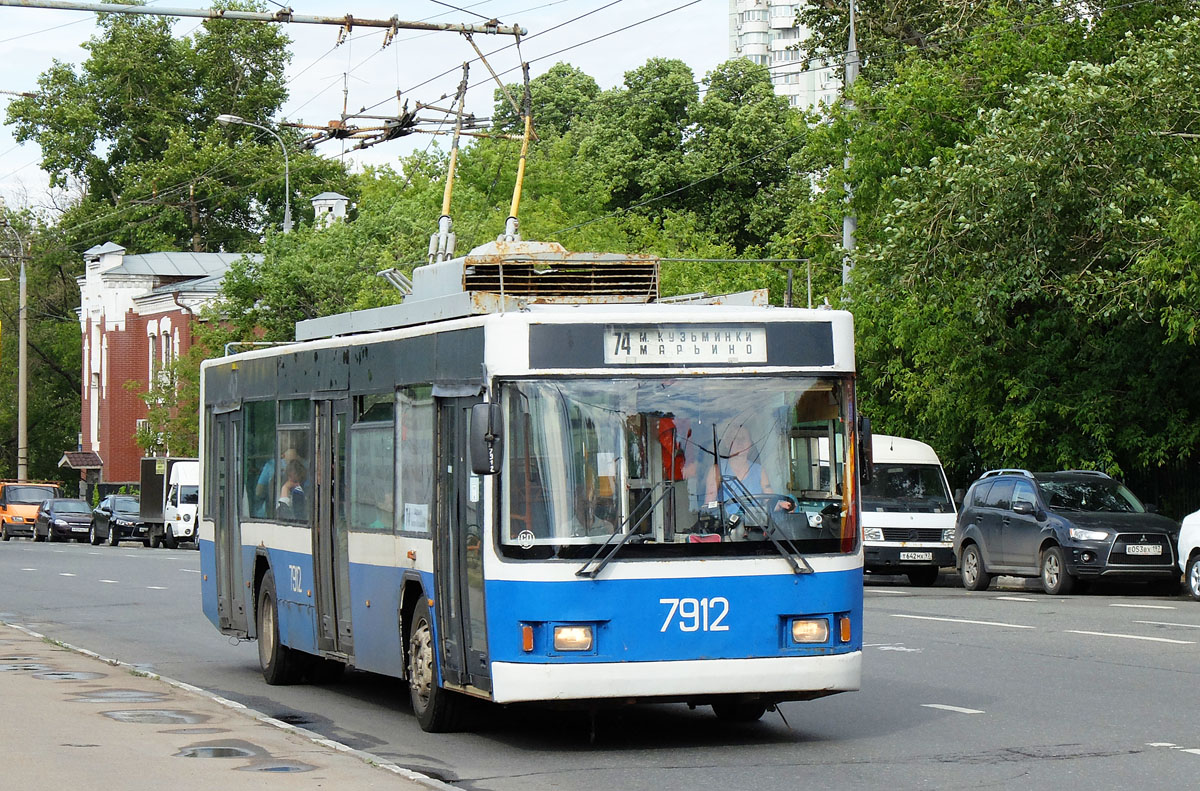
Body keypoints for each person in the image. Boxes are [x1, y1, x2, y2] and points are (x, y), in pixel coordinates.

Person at [703, 424, 793, 513]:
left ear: (750, 443)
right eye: (735, 439)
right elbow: (709, 506)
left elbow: (770, 502)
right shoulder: (716, 470)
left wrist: (781, 505)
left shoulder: (760, 471)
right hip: (727, 522)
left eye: (743, 439)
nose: (740, 443)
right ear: (727, 443)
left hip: (756, 521)